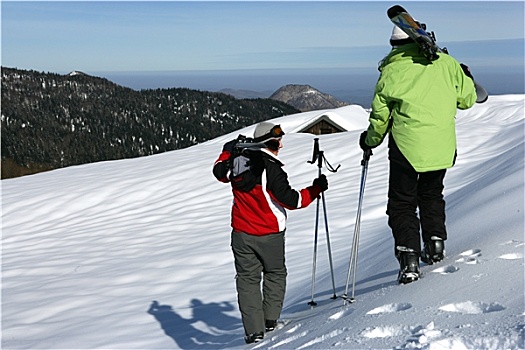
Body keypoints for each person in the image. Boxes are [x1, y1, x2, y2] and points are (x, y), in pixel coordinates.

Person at [359, 25, 477, 284]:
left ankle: (409, 258)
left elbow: (380, 119)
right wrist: (464, 76)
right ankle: (435, 245)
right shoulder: (447, 63)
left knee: (402, 203)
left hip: (406, 149)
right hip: (442, 146)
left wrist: (369, 141)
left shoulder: (391, 71)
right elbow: (468, 100)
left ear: (394, 44)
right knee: (431, 194)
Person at [213, 122, 328, 344]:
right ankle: (270, 320)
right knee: (275, 273)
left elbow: (219, 171)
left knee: (247, 280)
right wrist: (316, 189)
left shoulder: (237, 163)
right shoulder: (270, 168)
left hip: (241, 232)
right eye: (276, 142)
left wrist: (228, 150)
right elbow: (292, 200)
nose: (281, 145)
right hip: (270, 233)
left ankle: (254, 331)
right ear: (266, 142)